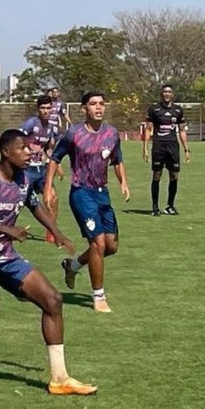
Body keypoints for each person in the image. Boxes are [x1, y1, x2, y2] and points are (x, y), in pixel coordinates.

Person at [0, 129, 98, 404]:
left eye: (30, 148)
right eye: (23, 148)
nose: (30, 152)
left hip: (7, 256)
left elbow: (34, 205)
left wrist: (57, 232)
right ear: (6, 152)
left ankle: (60, 378)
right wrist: (8, 229)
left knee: (52, 300)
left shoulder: (24, 179)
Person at [44, 91, 130, 313]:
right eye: (93, 104)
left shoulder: (112, 133)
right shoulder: (74, 133)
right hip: (81, 193)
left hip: (103, 194)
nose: (98, 107)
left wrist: (123, 183)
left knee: (111, 246)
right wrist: (47, 188)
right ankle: (98, 297)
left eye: (101, 104)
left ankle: (72, 266)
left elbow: (117, 160)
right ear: (85, 108)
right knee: (98, 244)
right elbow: (55, 158)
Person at [143, 83, 191, 216]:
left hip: (173, 146)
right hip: (159, 146)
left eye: (169, 92)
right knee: (157, 175)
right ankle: (155, 207)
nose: (167, 94)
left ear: (172, 94)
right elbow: (148, 129)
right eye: (164, 92)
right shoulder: (154, 109)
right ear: (161, 93)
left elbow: (181, 130)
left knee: (174, 176)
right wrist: (145, 148)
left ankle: (170, 206)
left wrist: (186, 149)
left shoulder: (178, 110)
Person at [21, 95, 60, 242]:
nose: (45, 111)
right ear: (38, 109)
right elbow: (17, 141)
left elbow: (49, 149)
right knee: (16, 200)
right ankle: (4, 228)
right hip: (26, 170)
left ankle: (51, 231)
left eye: (48, 108)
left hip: (41, 170)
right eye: (42, 108)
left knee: (53, 198)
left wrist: (57, 164)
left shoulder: (51, 127)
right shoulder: (31, 124)